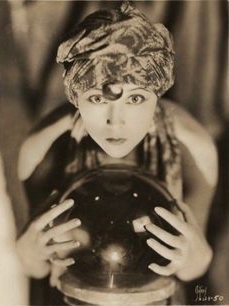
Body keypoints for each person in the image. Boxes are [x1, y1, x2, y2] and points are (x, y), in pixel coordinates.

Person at [16, 2, 218, 305]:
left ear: (157, 94)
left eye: (136, 98)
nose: (116, 120)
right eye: (97, 97)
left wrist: (195, 258)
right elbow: (35, 266)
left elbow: (195, 267)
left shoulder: (192, 148)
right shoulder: (46, 148)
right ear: (76, 97)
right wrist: (29, 253)